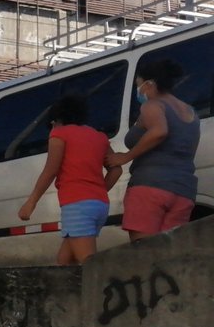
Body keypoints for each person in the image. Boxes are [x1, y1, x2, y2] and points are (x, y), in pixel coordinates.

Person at [18, 95, 122, 265]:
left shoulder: (60, 134)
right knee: (64, 261)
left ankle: (100, 291)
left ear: (56, 119)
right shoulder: (99, 136)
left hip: (77, 205)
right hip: (100, 204)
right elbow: (116, 169)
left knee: (89, 265)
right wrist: (98, 190)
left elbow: (51, 170)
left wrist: (31, 203)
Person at [105, 58, 200, 241]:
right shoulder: (191, 112)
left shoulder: (152, 105)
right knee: (170, 253)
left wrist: (125, 157)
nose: (138, 90)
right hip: (183, 190)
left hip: (150, 188)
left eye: (138, 85)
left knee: (145, 252)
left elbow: (159, 131)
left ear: (149, 84)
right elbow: (190, 152)